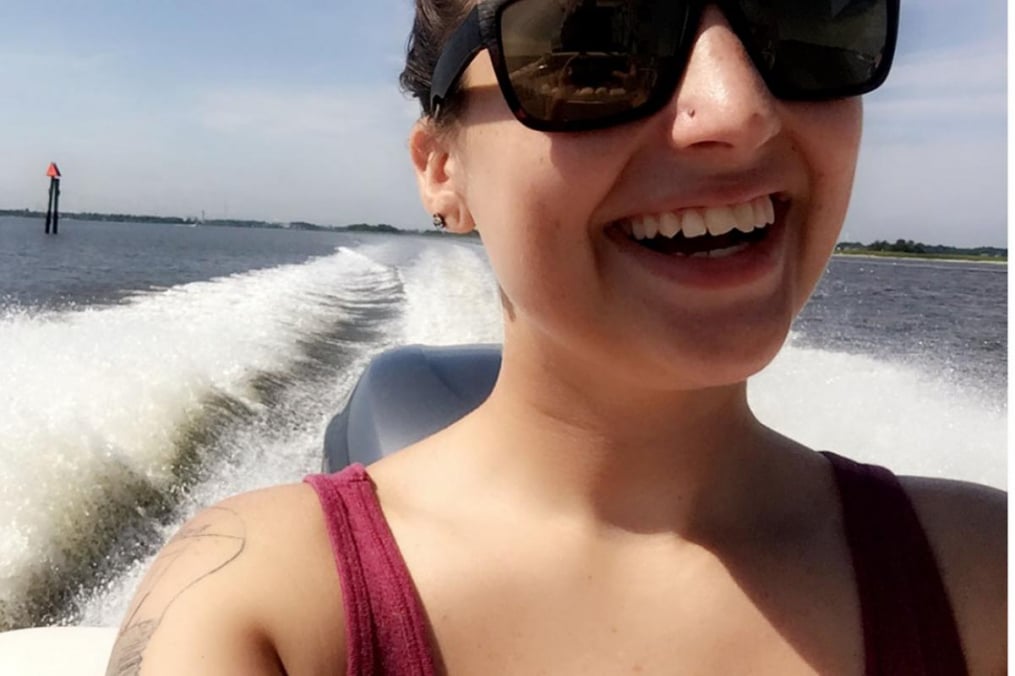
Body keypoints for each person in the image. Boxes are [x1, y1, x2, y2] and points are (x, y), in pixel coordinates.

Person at [106, 1, 1006, 674]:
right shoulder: (260, 608)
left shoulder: (981, 574)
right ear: (441, 167)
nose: (737, 109)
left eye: (808, 19)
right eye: (595, 47)